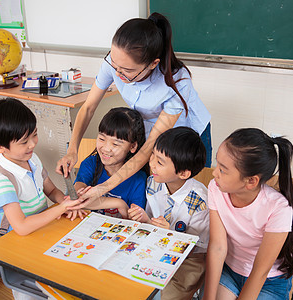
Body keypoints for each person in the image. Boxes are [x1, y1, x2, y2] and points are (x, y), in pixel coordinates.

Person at [57, 12, 212, 206]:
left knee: (184, 196)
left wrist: (103, 189)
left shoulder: (177, 82)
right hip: (149, 130)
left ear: (153, 64)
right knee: (154, 195)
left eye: (127, 71)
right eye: (115, 66)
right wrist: (73, 149)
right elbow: (88, 107)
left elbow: (148, 149)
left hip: (184, 136)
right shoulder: (116, 63)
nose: (118, 73)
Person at [0, 98, 84, 299]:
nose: (33, 144)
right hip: (19, 248)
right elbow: (21, 227)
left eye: (35, 135)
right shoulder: (1, 179)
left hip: (42, 234)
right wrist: (61, 209)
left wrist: (65, 201)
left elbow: (51, 190)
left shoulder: (31, 159)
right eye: (24, 142)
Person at [204, 128, 293, 300]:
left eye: (222, 169)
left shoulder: (279, 208)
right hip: (229, 270)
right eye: (217, 164)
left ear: (251, 181)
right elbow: (218, 247)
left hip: (269, 281)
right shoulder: (216, 188)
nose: (214, 173)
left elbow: (260, 271)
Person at [128, 127, 209, 300]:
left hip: (189, 261)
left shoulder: (200, 201)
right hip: (155, 247)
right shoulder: (154, 182)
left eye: (160, 162)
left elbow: (196, 247)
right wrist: (145, 219)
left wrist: (171, 235)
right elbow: (151, 222)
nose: (151, 164)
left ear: (183, 173)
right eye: (153, 156)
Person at [73, 107, 148, 218]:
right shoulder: (91, 164)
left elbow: (133, 221)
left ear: (132, 146)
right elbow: (79, 199)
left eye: (116, 144)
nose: (106, 149)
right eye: (102, 139)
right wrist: (119, 204)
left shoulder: (138, 179)